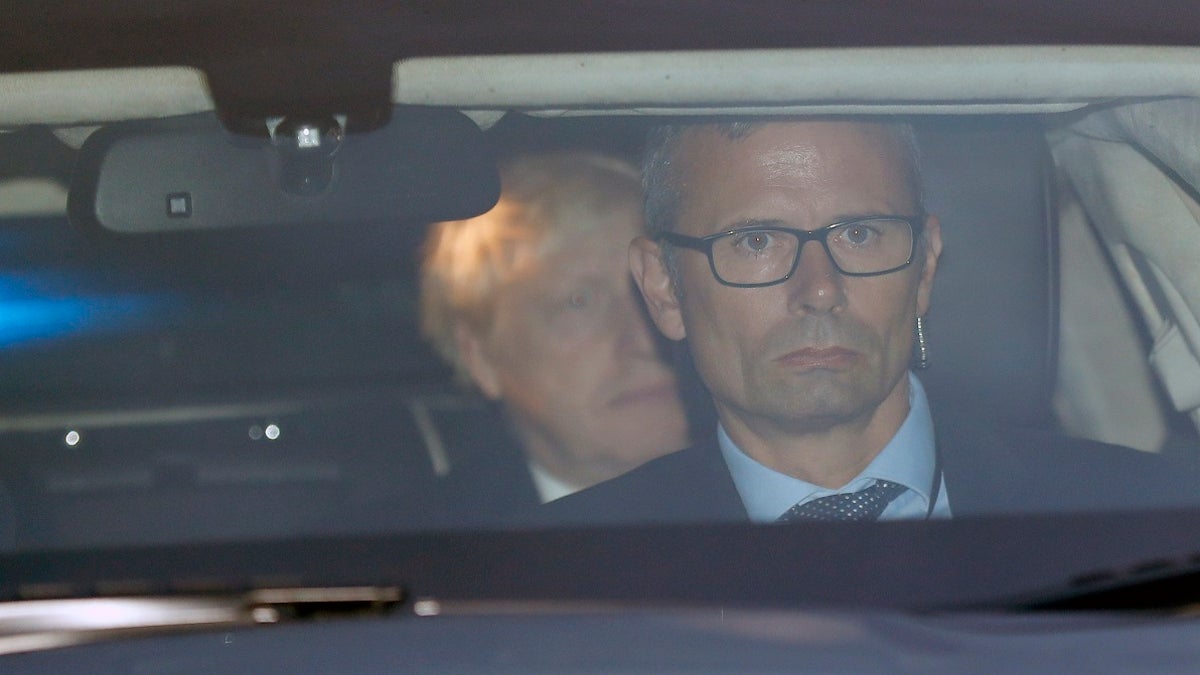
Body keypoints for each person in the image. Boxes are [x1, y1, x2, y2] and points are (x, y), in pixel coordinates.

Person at [545, 119, 1198, 525]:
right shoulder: (555, 577)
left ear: (925, 267)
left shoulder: (1147, 521)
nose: (820, 289)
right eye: (756, 241)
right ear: (663, 286)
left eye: (860, 232)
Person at [420, 151, 691, 520]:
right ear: (480, 356)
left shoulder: (784, 504)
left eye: (660, 288)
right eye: (579, 301)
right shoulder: (424, 549)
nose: (646, 337)